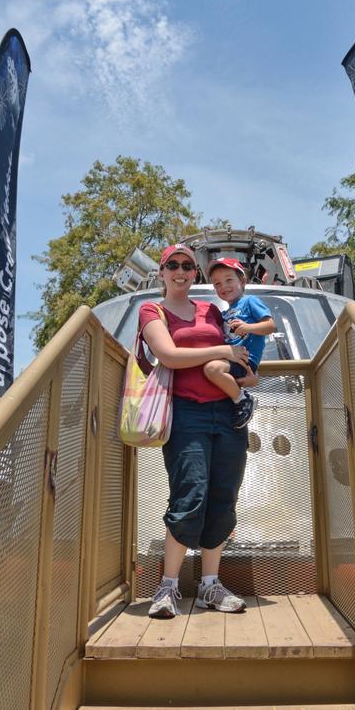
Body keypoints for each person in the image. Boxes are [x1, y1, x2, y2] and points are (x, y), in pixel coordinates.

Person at [139, 244, 254, 619]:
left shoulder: (211, 310)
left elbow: (239, 352)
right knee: (190, 495)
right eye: (173, 265)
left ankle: (210, 586)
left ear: (194, 274)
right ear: (162, 272)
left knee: (223, 499)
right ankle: (168, 586)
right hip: (186, 412)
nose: (181, 271)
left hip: (227, 413)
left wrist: (245, 368)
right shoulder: (151, 310)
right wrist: (220, 350)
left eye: (188, 266)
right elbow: (169, 355)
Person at [202, 257, 274, 429]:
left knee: (212, 369)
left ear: (242, 280)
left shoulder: (250, 302)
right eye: (217, 284)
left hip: (245, 360)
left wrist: (248, 327)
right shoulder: (225, 313)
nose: (224, 287)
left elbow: (271, 325)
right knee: (210, 373)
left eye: (228, 280)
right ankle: (241, 392)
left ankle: (243, 399)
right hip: (233, 359)